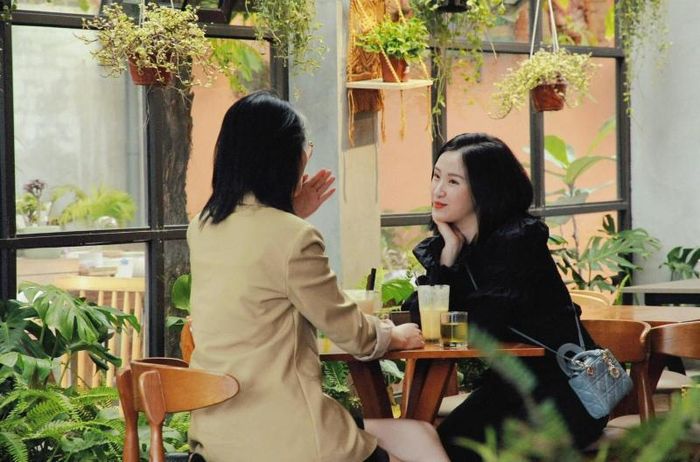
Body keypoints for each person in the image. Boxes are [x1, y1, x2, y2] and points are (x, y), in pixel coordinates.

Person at [187, 90, 449, 462]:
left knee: (410, 434)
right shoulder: (293, 237)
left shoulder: (202, 227)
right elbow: (353, 334)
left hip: (218, 437)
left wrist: (289, 213)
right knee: (417, 435)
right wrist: (396, 334)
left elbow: (257, 262)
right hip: (287, 439)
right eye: (304, 149)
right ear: (286, 159)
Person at [402, 133, 608, 461]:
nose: (438, 190)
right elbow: (422, 319)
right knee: (439, 448)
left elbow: (482, 327)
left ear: (486, 188)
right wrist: (448, 257)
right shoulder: (452, 244)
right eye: (436, 177)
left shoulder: (519, 241)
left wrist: (450, 305)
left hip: (566, 391)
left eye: (453, 182)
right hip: (510, 389)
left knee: (476, 454)